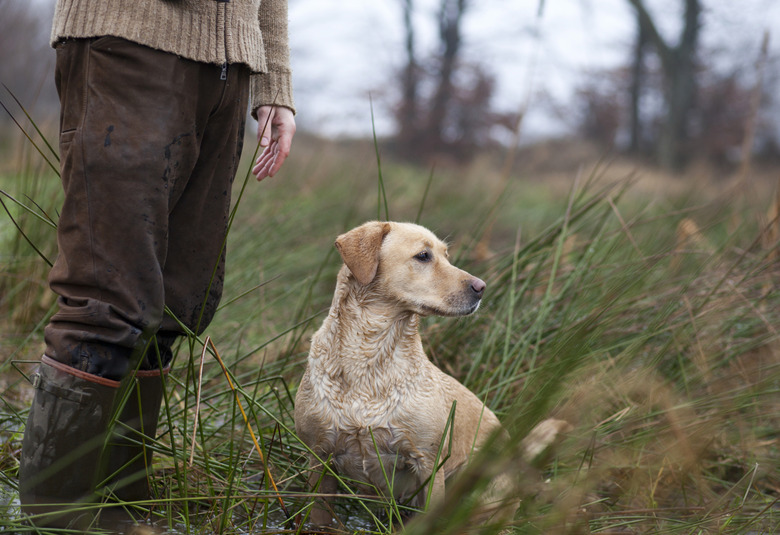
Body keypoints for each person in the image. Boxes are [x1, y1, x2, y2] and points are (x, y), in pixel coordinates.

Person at [18, 0, 296, 529]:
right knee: (107, 298)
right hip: (130, 45)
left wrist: (273, 84)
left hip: (227, 68)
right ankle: (56, 518)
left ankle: (123, 511)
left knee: (174, 305)